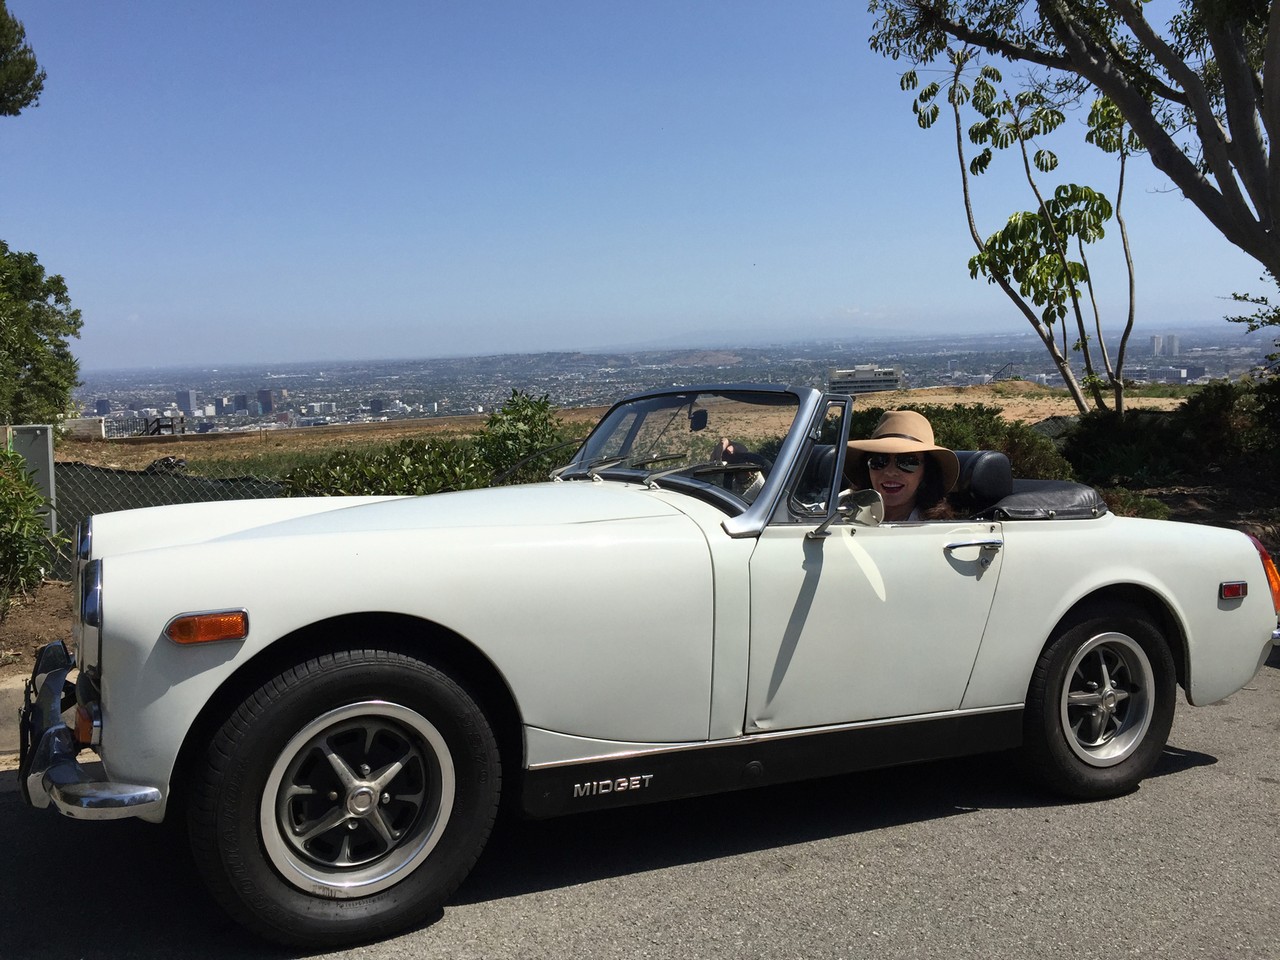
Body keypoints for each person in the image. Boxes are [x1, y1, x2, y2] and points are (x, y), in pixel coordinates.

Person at [846, 410, 959, 521]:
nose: (890, 471)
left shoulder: (939, 533)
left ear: (927, 471)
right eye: (879, 460)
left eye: (907, 462)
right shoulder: (841, 513)